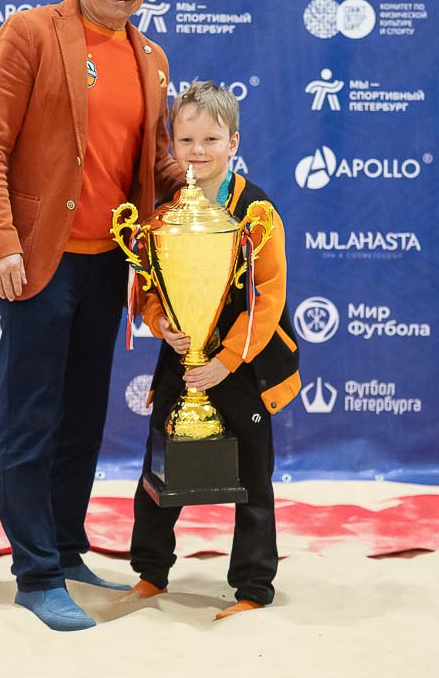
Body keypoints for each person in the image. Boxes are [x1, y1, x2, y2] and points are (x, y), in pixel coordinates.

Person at [0, 0, 185, 632]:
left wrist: (209, 188)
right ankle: (35, 574)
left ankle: (64, 548)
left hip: (111, 267)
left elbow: (153, 162)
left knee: (83, 417)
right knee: (32, 418)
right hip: (38, 260)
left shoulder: (152, 56)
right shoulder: (29, 32)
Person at [122, 81, 301, 620]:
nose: (197, 151)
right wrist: (161, 323)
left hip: (243, 363)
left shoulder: (257, 210)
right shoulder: (165, 212)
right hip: (183, 360)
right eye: (186, 140)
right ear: (171, 145)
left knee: (254, 474)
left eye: (211, 139)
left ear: (233, 143)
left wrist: (226, 361)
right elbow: (151, 288)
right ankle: (150, 573)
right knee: (159, 464)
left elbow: (269, 295)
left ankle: (253, 586)